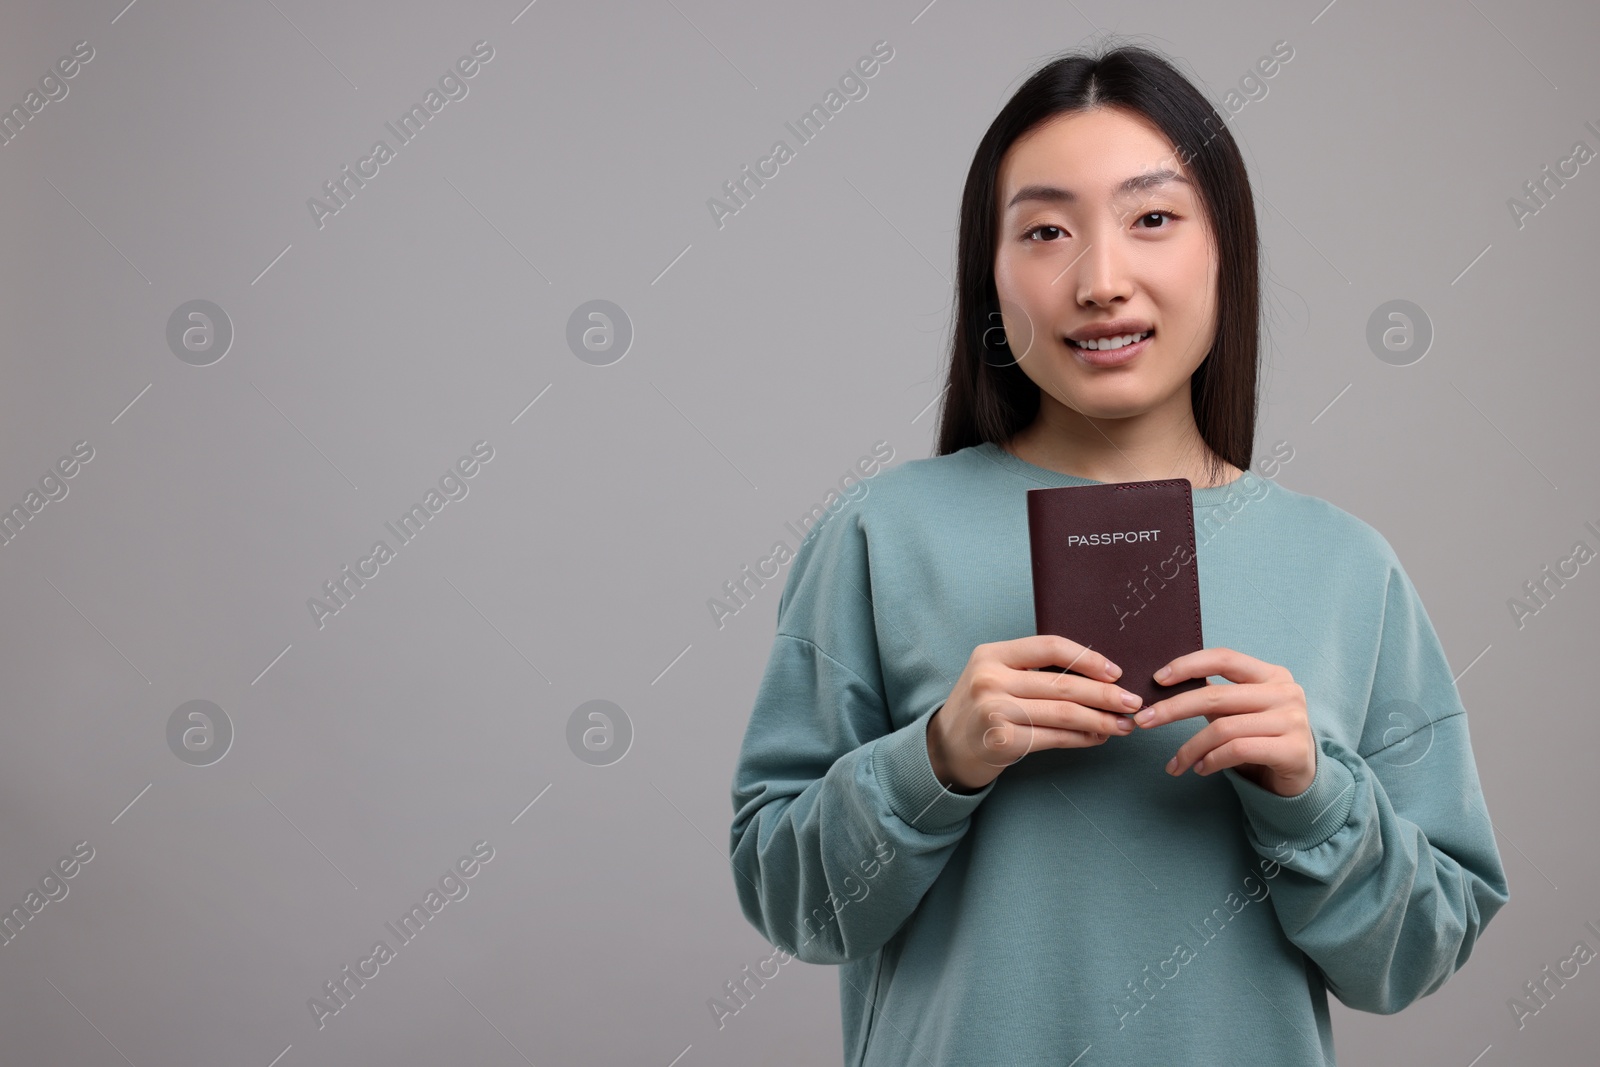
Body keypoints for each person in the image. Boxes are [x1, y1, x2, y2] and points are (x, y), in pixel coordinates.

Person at [726, 42, 1509, 1066]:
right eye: (1046, 230)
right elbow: (793, 904)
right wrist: (936, 758)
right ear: (990, 275)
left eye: (1152, 218)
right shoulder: (880, 534)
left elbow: (1413, 953)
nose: (1100, 279)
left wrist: (1314, 790)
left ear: (1223, 249)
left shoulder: (1345, 566)